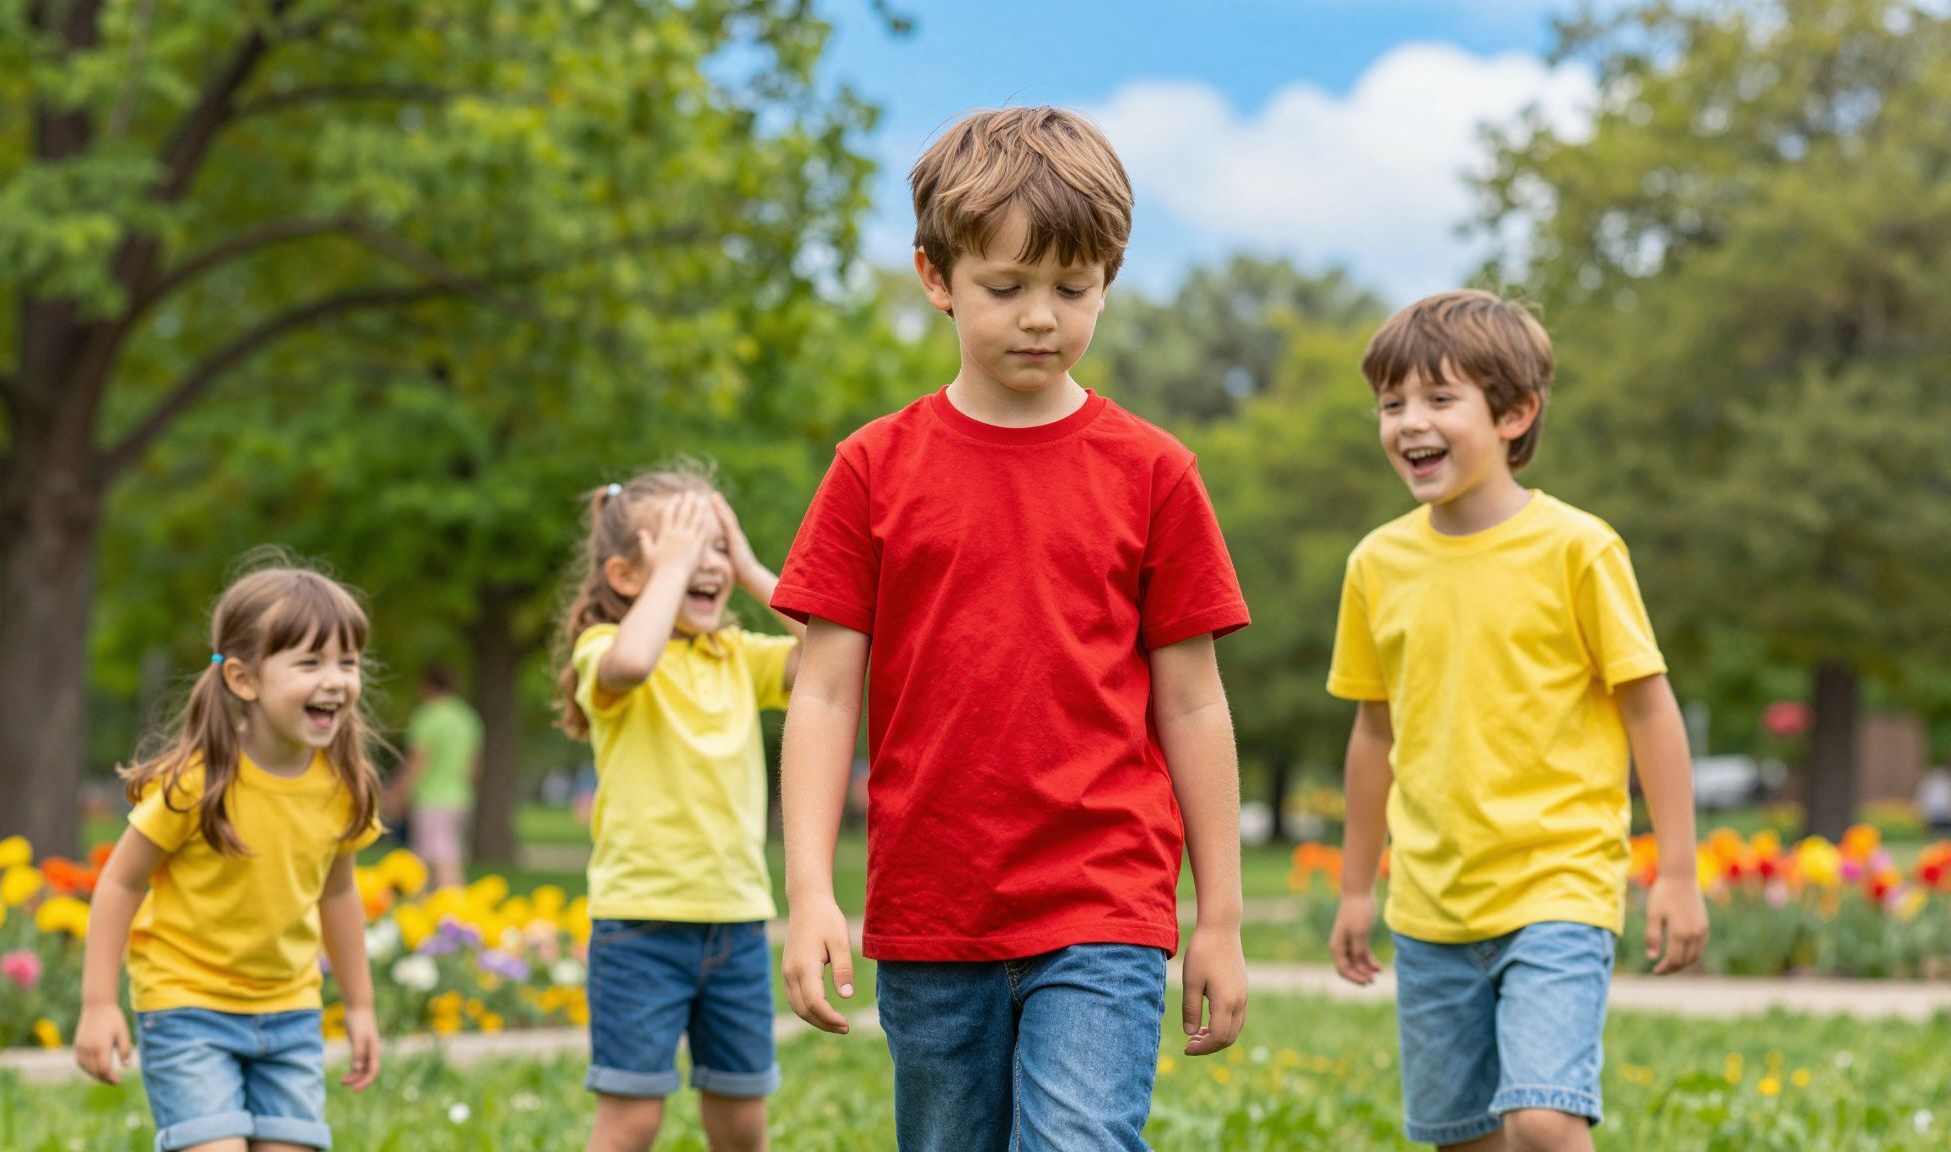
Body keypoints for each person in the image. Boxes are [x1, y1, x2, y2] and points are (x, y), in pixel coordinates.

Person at [773, 106, 1251, 1151]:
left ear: (1106, 282)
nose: (1041, 316)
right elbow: (820, 691)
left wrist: (1218, 914)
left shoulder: (1154, 471)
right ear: (935, 278)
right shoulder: (870, 470)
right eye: (1006, 287)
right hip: (931, 908)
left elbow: (1191, 699)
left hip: (1101, 898)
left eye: (1072, 290)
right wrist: (809, 892)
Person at [1326, 291, 1709, 1152]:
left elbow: (1650, 709)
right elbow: (1373, 736)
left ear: (1515, 412)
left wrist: (1677, 873)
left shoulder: (1579, 549)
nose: (1408, 423)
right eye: (1392, 404)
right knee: (1467, 1139)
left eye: (1437, 399)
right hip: (1430, 908)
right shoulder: (1377, 565)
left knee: (1541, 1118)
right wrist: (1357, 888)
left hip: (1557, 885)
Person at [74, 564, 385, 1152]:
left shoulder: (343, 786)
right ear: (243, 679)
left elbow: (338, 894)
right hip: (187, 1008)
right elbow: (119, 884)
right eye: (310, 662)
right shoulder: (197, 783)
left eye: (348, 662)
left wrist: (361, 1006)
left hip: (290, 1015)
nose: (337, 680)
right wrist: (97, 1004)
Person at [553, 469, 803, 1152]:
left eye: (716, 544)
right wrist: (675, 570)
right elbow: (630, 664)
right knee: (633, 1119)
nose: (707, 562)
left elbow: (833, 651)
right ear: (626, 576)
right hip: (641, 928)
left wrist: (750, 567)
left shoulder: (737, 657)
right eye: (686, 547)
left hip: (737, 924)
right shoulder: (606, 649)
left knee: (742, 1121)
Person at [389, 663, 483, 889]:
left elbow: (418, 761)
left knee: (441, 861)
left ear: (428, 686)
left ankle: (454, 914)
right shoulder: (466, 717)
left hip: (432, 798)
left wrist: (398, 792)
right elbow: (474, 766)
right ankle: (429, 915)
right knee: (431, 859)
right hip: (460, 797)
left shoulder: (428, 716)